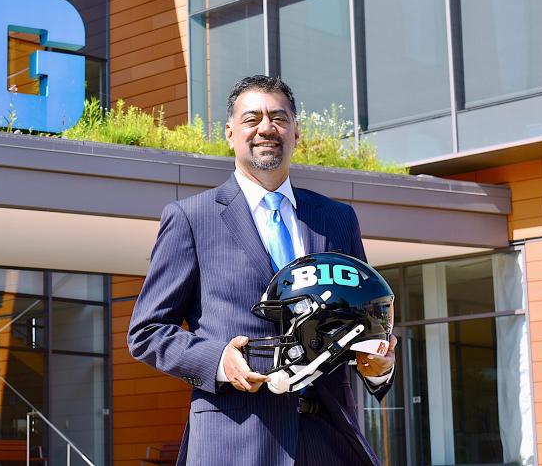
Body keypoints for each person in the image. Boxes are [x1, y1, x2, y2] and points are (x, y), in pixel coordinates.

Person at [127, 75, 397, 466]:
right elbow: (147, 331)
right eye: (252, 118)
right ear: (230, 133)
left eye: (279, 118)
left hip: (330, 442)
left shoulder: (338, 219)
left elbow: (366, 315)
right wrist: (218, 360)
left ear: (296, 132)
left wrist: (378, 365)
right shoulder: (191, 218)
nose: (266, 128)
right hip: (235, 441)